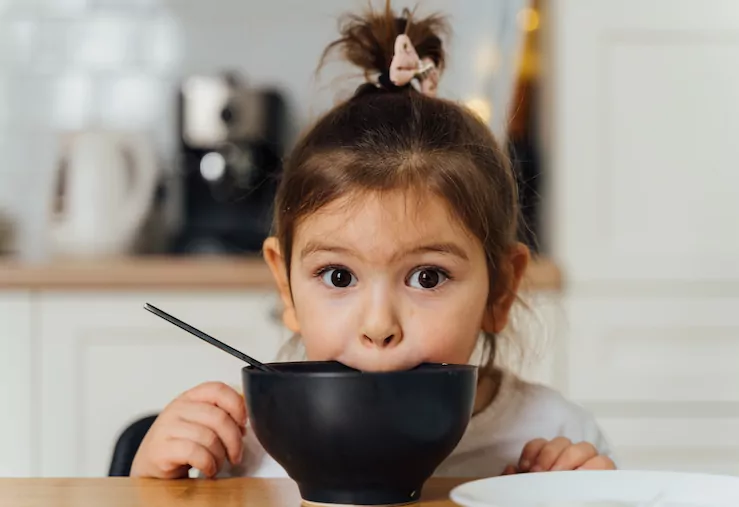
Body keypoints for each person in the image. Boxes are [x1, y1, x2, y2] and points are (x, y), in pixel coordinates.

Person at [130, 1, 616, 480]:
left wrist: (589, 495)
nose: (379, 326)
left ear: (501, 289)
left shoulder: (557, 436)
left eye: (428, 277)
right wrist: (149, 484)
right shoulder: (246, 446)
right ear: (286, 286)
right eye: (338, 276)